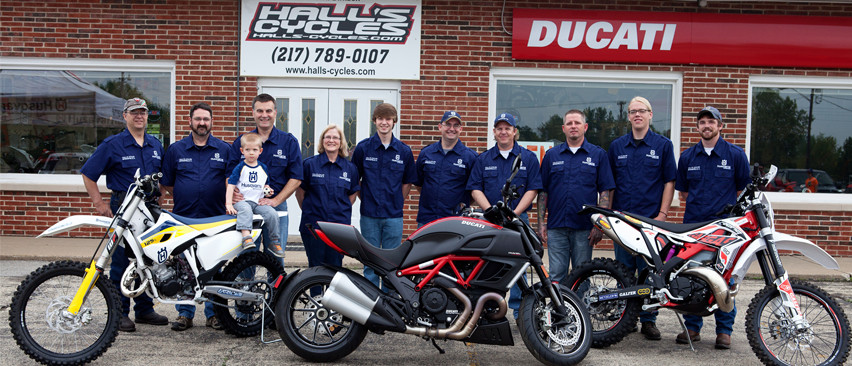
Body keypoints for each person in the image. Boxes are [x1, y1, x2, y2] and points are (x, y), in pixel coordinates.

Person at [80, 97, 168, 332]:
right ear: (125, 116)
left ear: (147, 116)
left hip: (149, 209)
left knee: (147, 259)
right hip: (124, 206)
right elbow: (88, 174)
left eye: (143, 112)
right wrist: (99, 203)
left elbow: (160, 178)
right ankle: (119, 313)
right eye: (134, 112)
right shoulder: (113, 144)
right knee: (121, 261)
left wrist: (160, 197)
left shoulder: (155, 144)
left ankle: (144, 310)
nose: (139, 116)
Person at [675, 106, 750, 350]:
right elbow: (684, 191)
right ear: (697, 127)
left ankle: (724, 331)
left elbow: (743, 189)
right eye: (702, 122)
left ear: (720, 126)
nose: (706, 126)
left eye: (711, 122)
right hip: (694, 227)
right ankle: (692, 327)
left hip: (725, 229)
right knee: (693, 276)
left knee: (724, 278)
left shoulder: (735, 155)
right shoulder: (687, 157)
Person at [607, 97, 676, 340]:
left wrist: (663, 215)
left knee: (650, 273)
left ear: (650, 115)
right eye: (633, 111)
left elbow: (670, 182)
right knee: (623, 272)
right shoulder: (617, 147)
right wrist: (609, 215)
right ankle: (627, 319)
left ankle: (648, 320)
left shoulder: (663, 145)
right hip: (622, 221)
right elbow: (609, 185)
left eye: (642, 111)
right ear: (628, 116)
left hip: (650, 222)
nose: (637, 115)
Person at [160, 102, 230, 331]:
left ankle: (215, 314)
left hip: (215, 219)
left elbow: (232, 182)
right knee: (183, 268)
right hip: (184, 218)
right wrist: (185, 193)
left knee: (215, 269)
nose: (202, 123)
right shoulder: (176, 150)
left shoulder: (224, 149)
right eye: (198, 119)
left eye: (206, 119)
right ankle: (185, 314)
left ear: (211, 122)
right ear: (190, 121)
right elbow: (167, 182)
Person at [467, 113, 542, 317]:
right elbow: (475, 188)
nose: (503, 131)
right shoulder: (483, 158)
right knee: (489, 264)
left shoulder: (527, 158)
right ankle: (489, 308)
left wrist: (513, 214)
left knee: (519, 266)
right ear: (494, 132)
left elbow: (533, 189)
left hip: (518, 221)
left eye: (507, 128)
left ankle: (520, 311)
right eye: (499, 128)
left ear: (514, 131)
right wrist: (490, 211)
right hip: (490, 222)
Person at [538, 109, 615, 285]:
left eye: (577, 123)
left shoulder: (598, 155)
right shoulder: (551, 156)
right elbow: (543, 192)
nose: (573, 126)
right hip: (556, 226)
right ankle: (560, 312)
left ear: (585, 127)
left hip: (585, 229)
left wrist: (600, 225)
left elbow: (605, 192)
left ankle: (581, 312)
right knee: (557, 275)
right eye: (570, 123)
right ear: (563, 128)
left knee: (582, 275)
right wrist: (542, 223)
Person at [230, 94, 302, 262]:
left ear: (275, 112)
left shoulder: (288, 142)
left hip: (276, 208)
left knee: (276, 259)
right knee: (246, 257)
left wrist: (276, 200)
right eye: (260, 111)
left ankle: (277, 289)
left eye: (268, 110)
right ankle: (244, 288)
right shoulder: (241, 142)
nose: (264, 115)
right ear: (253, 113)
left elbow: (297, 177)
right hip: (246, 207)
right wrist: (233, 194)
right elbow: (228, 174)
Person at [351, 103, 417, 289]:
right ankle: (370, 300)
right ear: (375, 121)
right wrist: (367, 198)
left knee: (391, 264)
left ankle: (389, 303)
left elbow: (407, 182)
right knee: (370, 263)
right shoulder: (363, 149)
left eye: (388, 119)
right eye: (380, 118)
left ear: (394, 121)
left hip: (394, 217)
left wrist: (397, 201)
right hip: (369, 215)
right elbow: (356, 180)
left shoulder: (403, 151)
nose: (384, 122)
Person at [296, 124, 360, 268]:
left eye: (335, 137)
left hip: (339, 228)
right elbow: (300, 193)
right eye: (328, 137)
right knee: (315, 268)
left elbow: (352, 197)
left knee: (335, 267)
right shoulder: (309, 165)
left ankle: (331, 292)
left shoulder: (350, 169)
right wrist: (310, 209)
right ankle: (316, 292)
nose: (331, 140)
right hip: (313, 226)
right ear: (322, 141)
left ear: (341, 142)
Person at [414, 110, 478, 227]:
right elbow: (419, 184)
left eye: (456, 125)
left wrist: (462, 204)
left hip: (456, 220)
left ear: (461, 129)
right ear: (440, 127)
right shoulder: (426, 153)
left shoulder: (471, 157)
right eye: (448, 124)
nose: (451, 129)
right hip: (427, 218)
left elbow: (474, 190)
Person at [225, 132, 282, 255]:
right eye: (248, 150)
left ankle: (274, 241)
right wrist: (229, 204)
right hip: (242, 202)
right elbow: (230, 185)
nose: (251, 153)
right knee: (246, 210)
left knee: (272, 213)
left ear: (260, 151)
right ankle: (246, 237)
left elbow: (265, 185)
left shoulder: (263, 168)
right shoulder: (240, 168)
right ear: (242, 151)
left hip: (257, 202)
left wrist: (268, 191)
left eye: (254, 150)